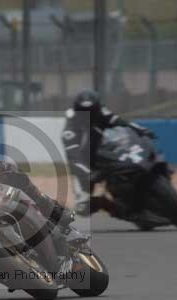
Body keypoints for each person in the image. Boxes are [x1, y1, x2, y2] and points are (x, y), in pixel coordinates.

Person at [61, 89, 156, 217]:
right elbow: (74, 157)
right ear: (77, 111)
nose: (89, 114)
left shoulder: (102, 113)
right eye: (84, 112)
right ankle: (106, 204)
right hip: (86, 166)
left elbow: (120, 122)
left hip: (107, 153)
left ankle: (149, 183)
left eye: (92, 111)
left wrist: (140, 130)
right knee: (83, 207)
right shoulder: (70, 130)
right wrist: (85, 172)